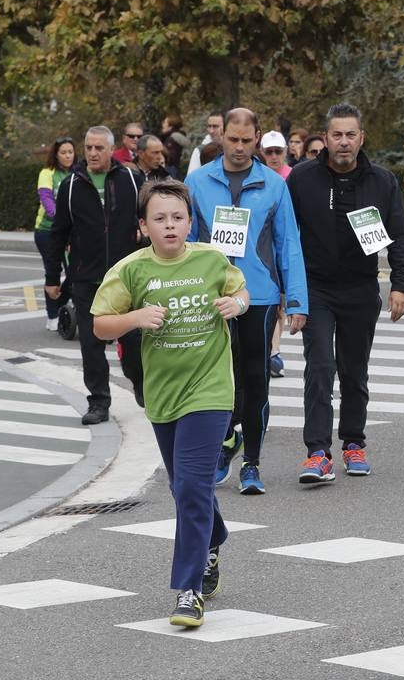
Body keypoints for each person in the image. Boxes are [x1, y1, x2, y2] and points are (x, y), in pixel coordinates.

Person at [92, 178, 248, 628]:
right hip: (163, 394)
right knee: (185, 489)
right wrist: (135, 318)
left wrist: (235, 305)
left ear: (189, 221)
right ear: (143, 226)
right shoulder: (132, 271)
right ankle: (214, 539)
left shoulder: (211, 260)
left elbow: (242, 291)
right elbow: (101, 324)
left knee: (195, 489)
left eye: (177, 217)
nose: (170, 225)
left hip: (211, 389)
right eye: (159, 219)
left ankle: (188, 589)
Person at [187, 108, 308, 495]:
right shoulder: (198, 181)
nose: (239, 148)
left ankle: (252, 463)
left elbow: (288, 244)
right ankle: (225, 441)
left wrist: (297, 301)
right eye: (232, 140)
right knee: (214, 380)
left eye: (246, 141)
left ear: (257, 139)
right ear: (221, 136)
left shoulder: (273, 185)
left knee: (256, 381)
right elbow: (184, 245)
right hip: (212, 297)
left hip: (259, 296)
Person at [288, 103, 404, 482]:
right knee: (321, 366)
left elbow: (400, 236)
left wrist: (401, 286)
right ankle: (317, 451)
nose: (343, 142)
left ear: (362, 138)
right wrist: (290, 293)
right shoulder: (301, 179)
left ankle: (353, 443)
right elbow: (285, 238)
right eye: (336, 135)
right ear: (325, 138)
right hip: (316, 289)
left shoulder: (382, 181)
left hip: (361, 288)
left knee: (354, 371)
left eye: (350, 135)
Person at [46, 126, 146, 425]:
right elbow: (58, 233)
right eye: (88, 147)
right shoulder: (72, 185)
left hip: (126, 279)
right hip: (86, 279)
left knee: (133, 345)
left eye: (98, 148)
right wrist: (52, 276)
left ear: (110, 150)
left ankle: (140, 382)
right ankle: (99, 401)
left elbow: (147, 217)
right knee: (90, 345)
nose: (91, 153)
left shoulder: (131, 178)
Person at [34, 137, 75, 332]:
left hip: (72, 232)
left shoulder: (78, 173)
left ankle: (62, 307)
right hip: (47, 231)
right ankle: (52, 315)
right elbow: (47, 201)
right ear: (56, 155)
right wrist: (63, 220)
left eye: (70, 152)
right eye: (63, 152)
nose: (67, 156)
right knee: (53, 272)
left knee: (74, 271)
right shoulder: (47, 173)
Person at [187, 111, 225, 176]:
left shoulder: (231, 148)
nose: (211, 131)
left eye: (215, 126)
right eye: (209, 126)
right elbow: (191, 177)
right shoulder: (199, 150)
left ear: (225, 127)